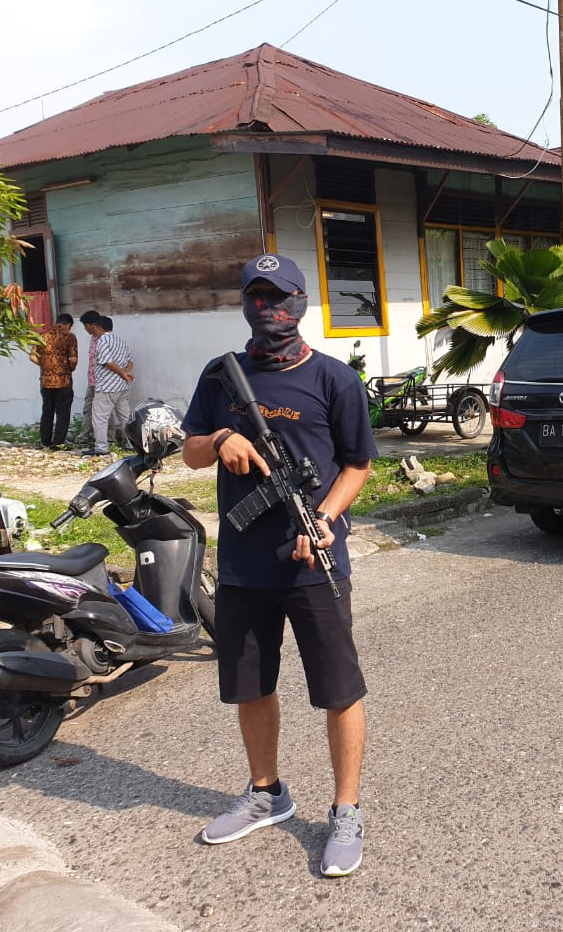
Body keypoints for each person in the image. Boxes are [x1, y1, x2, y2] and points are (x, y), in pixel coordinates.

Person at [181, 253, 375, 877]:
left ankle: (345, 809)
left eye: (281, 296)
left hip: (314, 562)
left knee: (339, 690)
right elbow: (189, 452)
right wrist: (221, 439)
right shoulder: (222, 376)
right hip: (243, 566)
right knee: (252, 686)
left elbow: (358, 465)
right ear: (244, 303)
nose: (270, 309)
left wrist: (324, 519)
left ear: (302, 302)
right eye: (257, 296)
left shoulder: (335, 380)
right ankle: (267, 793)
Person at [83, 314, 134, 456]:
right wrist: (125, 373)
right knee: (125, 416)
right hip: (122, 386)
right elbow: (130, 361)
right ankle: (132, 444)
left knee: (100, 417)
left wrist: (122, 374)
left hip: (107, 385)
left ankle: (101, 447)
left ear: (98, 328)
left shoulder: (102, 341)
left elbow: (107, 362)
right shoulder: (120, 340)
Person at [29, 313, 78, 449]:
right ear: (67, 325)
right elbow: (73, 359)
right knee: (63, 413)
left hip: (46, 381)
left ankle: (45, 441)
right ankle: (58, 443)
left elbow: (32, 356)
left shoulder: (42, 335)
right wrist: (69, 369)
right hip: (63, 381)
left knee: (47, 411)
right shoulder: (69, 337)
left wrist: (46, 366)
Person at [72, 310, 103, 450]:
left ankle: (109, 438)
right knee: (89, 409)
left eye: (86, 326)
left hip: (101, 381)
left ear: (93, 325)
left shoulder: (103, 340)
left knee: (103, 411)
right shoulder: (93, 338)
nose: (85, 329)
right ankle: (84, 436)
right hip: (92, 380)